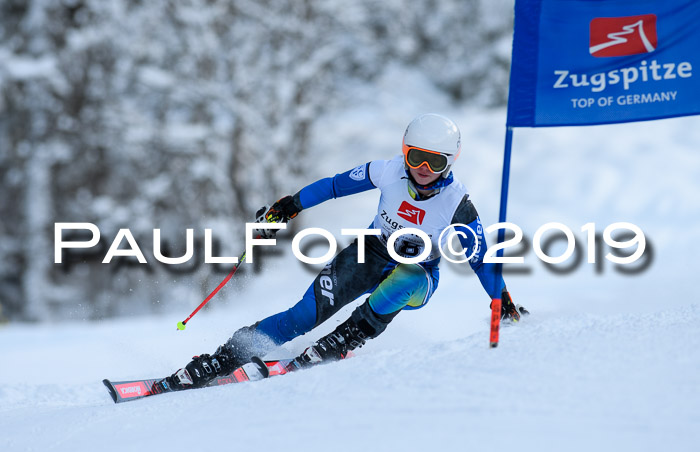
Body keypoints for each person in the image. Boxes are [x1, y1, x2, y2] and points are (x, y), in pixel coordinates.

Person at [155, 113, 528, 392]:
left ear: (452, 162)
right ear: (405, 153)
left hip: (419, 276)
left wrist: (502, 299)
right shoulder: (386, 171)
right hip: (369, 254)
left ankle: (346, 337)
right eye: (416, 158)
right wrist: (290, 206)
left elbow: (479, 258)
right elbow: (335, 186)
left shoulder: (456, 202)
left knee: (406, 278)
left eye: (436, 162)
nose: (424, 170)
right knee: (301, 316)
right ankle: (224, 356)